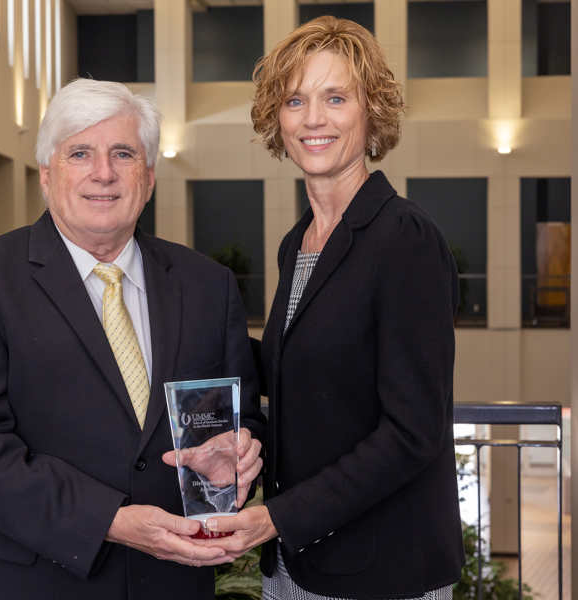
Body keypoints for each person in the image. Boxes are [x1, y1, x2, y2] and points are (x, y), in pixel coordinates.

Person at [0, 78, 266, 600]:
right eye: (80, 152)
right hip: (27, 583)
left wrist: (239, 454)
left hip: (170, 584)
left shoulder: (208, 285)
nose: (103, 173)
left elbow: (239, 416)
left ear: (148, 177)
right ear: (47, 173)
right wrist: (111, 520)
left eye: (123, 154)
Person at [198, 17, 465, 600]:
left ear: (372, 112)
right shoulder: (300, 243)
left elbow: (411, 432)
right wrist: (180, 342)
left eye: (335, 98)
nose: (313, 118)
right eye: (295, 100)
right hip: (299, 563)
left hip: (379, 568)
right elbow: (305, 367)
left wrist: (278, 517)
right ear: (278, 120)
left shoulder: (404, 238)